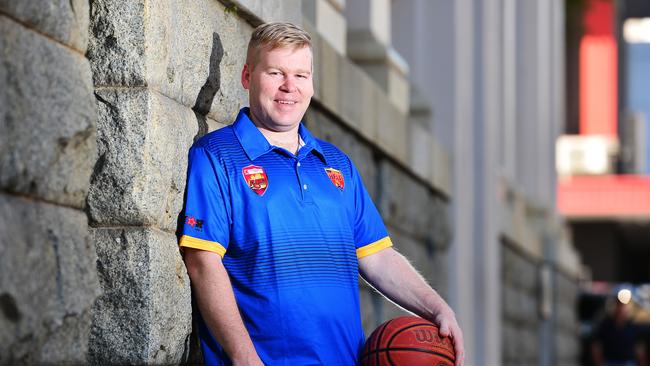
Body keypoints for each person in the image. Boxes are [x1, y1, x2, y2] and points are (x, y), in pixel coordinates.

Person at [179, 22, 464, 366]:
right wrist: (245, 359)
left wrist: (438, 308)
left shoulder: (337, 165)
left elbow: (377, 257)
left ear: (312, 84)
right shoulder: (217, 156)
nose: (289, 86)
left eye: (301, 75)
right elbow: (202, 262)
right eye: (275, 72)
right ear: (247, 76)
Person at [591, 297, 646, 366]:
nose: (622, 310)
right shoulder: (606, 325)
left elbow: (639, 347)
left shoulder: (633, 326)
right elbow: (597, 346)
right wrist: (599, 363)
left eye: (624, 307)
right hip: (610, 362)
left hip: (628, 362)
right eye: (619, 306)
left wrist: (642, 362)